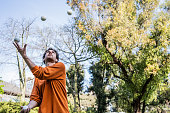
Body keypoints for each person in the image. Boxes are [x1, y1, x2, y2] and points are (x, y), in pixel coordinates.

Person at [13, 42, 70, 113]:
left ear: (56, 60)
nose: (50, 52)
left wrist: (24, 56)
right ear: (43, 59)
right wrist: (28, 107)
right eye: (47, 52)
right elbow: (36, 98)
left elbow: (40, 73)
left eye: (53, 52)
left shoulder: (60, 67)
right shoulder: (38, 78)